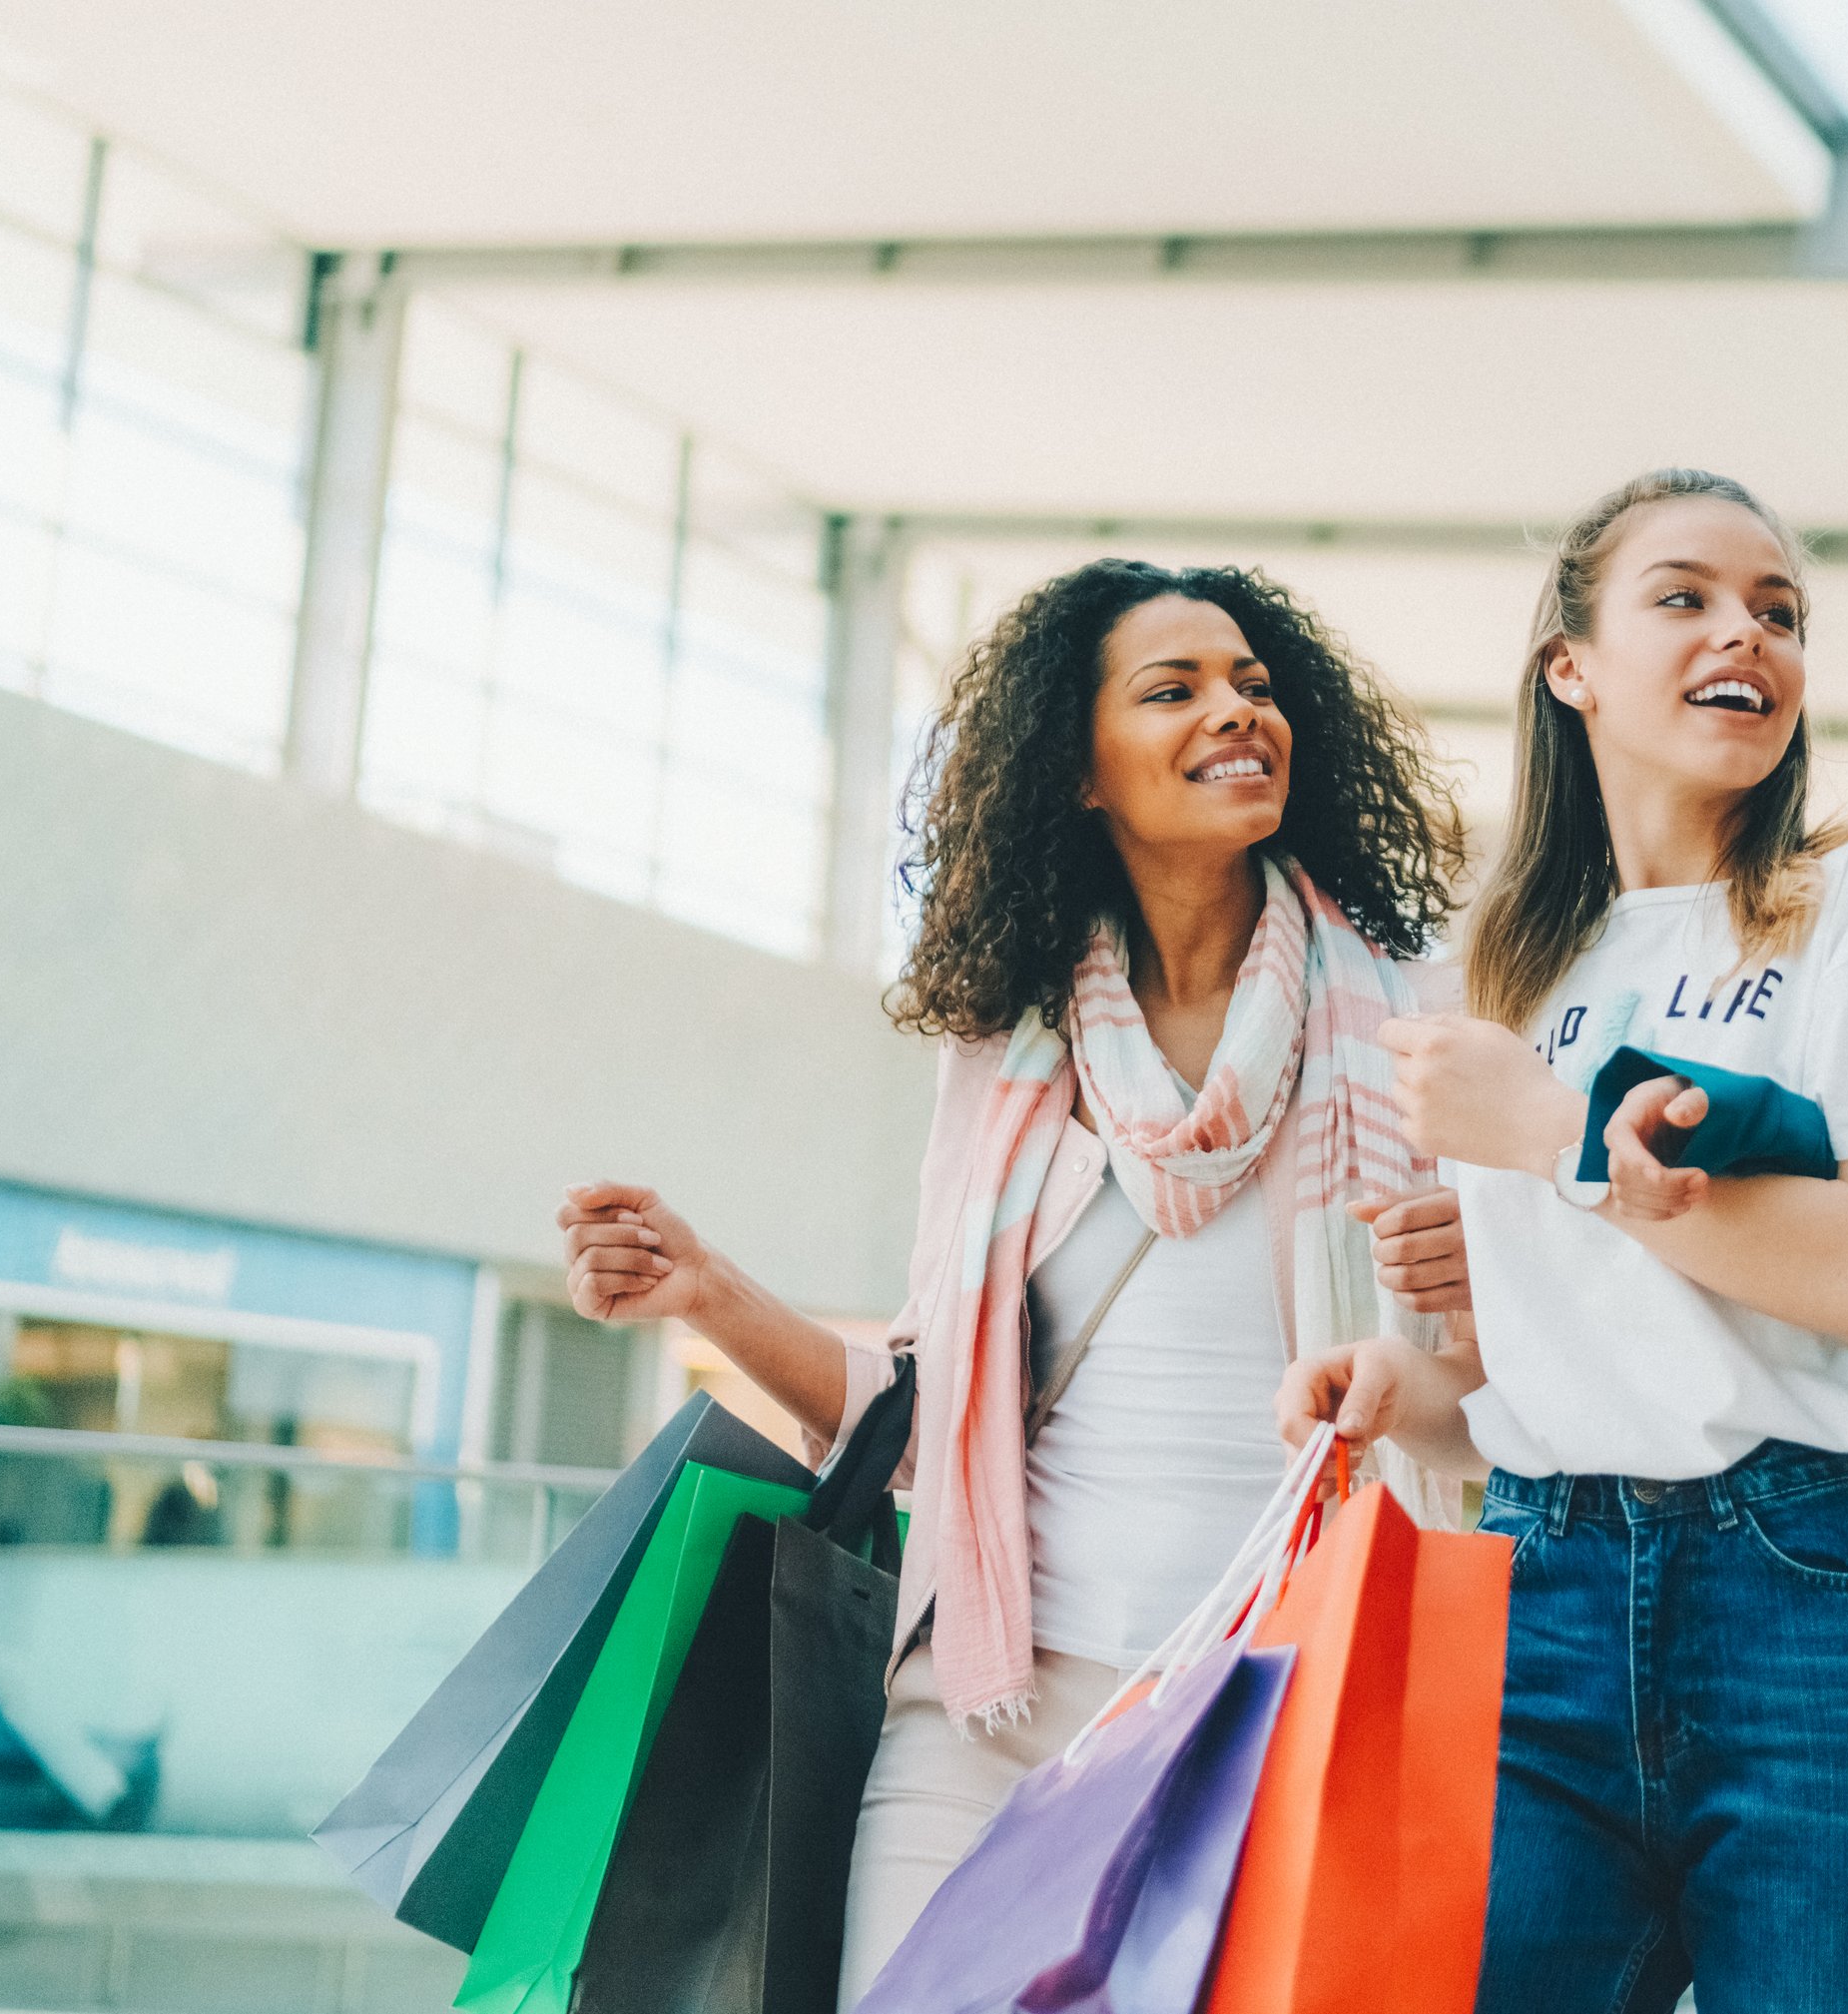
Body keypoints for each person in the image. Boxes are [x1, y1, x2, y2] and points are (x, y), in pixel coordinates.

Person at [553, 558, 1470, 2009]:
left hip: (1268, 1710)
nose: (1236, 709)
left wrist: (1475, 1305)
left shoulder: (1406, 1019)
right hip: (983, 1716)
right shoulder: (1007, 1052)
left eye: (1252, 681)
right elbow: (930, 1413)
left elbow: (1487, 1406)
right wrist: (707, 1290)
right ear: (1083, 769)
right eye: (1173, 688)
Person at [1281, 468, 1848, 2014]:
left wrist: (1549, 1133)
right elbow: (1573, 1363)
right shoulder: (1513, 964)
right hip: (1539, 1579)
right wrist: (1402, 1385)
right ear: (1571, 664)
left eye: (1780, 611)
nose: (1748, 632)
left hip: (1808, 1593)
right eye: (1686, 596)